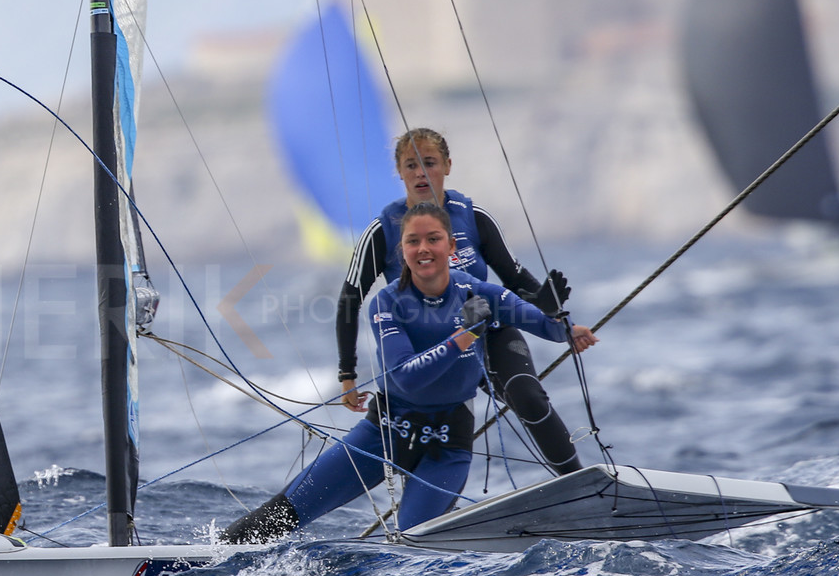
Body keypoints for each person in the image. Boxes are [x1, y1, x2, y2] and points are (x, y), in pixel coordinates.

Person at [222, 202, 597, 543]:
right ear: (401, 251)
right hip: (385, 434)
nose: (423, 249)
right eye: (412, 241)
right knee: (282, 515)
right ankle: (213, 556)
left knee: (412, 547)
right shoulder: (387, 303)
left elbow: (538, 322)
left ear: (451, 246)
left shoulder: (478, 292)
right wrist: (464, 337)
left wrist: (564, 326)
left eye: (433, 239)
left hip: (446, 449)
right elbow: (405, 375)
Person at [337, 128, 586, 474]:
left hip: (486, 331)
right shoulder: (383, 231)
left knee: (528, 397)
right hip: (428, 348)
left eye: (429, 163)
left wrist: (551, 309)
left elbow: (517, 282)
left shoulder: (473, 217)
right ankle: (428, 503)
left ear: (447, 166)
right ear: (399, 172)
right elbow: (349, 300)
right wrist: (347, 375)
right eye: (411, 165)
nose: (421, 173)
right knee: (431, 440)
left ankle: (581, 482)